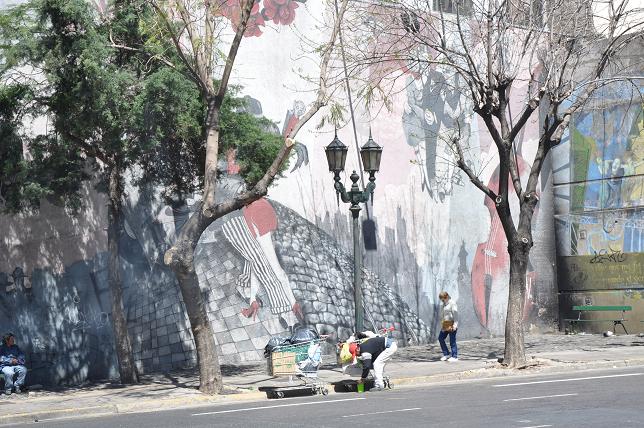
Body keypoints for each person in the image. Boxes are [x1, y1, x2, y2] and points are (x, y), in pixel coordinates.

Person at [438, 291, 458, 362]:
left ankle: (454, 356)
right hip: (445, 324)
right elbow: (443, 315)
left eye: (442, 298)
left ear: (446, 297)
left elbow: (455, 315)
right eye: (441, 299)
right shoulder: (443, 304)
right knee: (440, 338)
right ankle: (446, 354)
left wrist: (455, 325)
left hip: (452, 324)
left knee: (452, 341)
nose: (442, 300)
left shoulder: (452, 303)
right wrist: (443, 325)